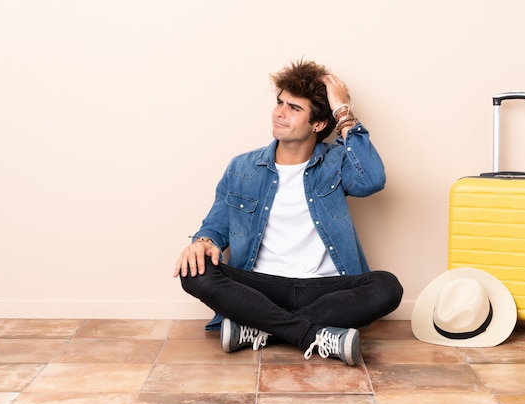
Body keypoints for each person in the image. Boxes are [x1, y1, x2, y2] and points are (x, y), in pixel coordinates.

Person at [173, 60, 403, 366]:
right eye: (280, 102)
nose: (280, 112)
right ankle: (313, 336)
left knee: (387, 286)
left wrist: (342, 111)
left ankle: (259, 329)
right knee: (195, 270)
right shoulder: (242, 168)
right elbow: (215, 227)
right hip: (260, 289)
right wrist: (202, 242)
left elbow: (372, 179)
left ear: (318, 124)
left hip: (324, 289)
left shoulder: (336, 163)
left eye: (294, 108)